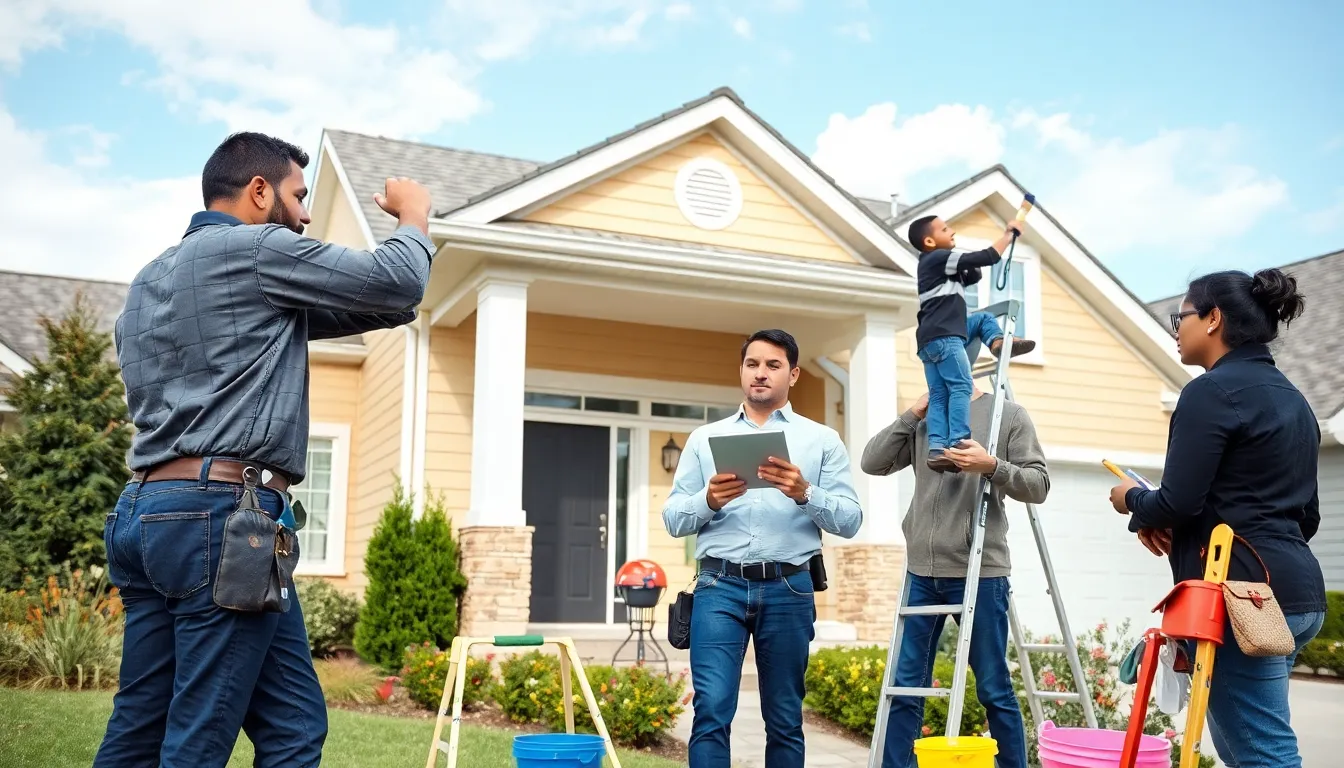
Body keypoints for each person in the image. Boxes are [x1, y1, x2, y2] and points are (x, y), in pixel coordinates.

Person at [95, 132, 436, 768]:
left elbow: (381, 303)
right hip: (222, 523)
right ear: (258, 192)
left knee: (275, 724)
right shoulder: (256, 252)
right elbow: (394, 283)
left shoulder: (148, 282)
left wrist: (391, 294)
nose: (306, 215)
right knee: (199, 732)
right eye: (299, 197)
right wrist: (414, 216)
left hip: (146, 513)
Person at [1109, 267, 1325, 768]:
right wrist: (1168, 516)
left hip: (1239, 597)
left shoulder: (1209, 392)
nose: (1175, 329)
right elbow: (1303, 516)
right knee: (1243, 747)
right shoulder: (1296, 402)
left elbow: (1178, 501)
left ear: (1212, 318)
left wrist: (1130, 501)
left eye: (1178, 317)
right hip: (1294, 592)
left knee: (1261, 754)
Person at [662, 328, 864, 768]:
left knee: (785, 717)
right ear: (741, 371)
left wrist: (805, 492)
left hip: (789, 588)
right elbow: (674, 518)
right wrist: (708, 501)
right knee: (711, 711)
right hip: (718, 586)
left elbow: (850, 520)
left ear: (792, 375)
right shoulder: (704, 439)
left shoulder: (821, 440)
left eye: (773, 365)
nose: (760, 373)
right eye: (752, 364)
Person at [862, 382, 1050, 768]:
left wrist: (991, 465)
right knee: (905, 687)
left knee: (993, 687)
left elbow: (1039, 484)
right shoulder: (924, 413)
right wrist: (912, 414)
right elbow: (872, 462)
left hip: (980, 572)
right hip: (921, 572)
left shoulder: (1008, 414)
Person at [908, 215, 1036, 473]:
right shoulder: (939, 258)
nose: (952, 231)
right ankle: (958, 444)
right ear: (930, 241)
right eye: (945, 229)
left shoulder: (935, 267)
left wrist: (971, 262)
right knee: (961, 388)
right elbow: (988, 257)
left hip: (929, 340)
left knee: (940, 393)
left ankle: (937, 450)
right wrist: (1008, 235)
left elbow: (973, 274)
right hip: (946, 336)